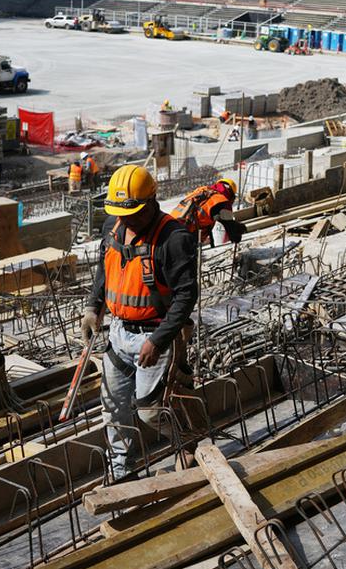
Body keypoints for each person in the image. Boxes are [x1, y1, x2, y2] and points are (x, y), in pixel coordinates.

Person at [80, 164, 199, 480]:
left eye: (131, 211)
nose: (125, 218)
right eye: (120, 211)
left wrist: (158, 341)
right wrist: (93, 308)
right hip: (119, 333)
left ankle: (187, 444)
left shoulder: (173, 238)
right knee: (113, 407)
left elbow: (186, 297)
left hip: (156, 335)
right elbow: (104, 272)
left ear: (150, 202)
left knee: (150, 412)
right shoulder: (113, 227)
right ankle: (121, 468)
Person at [171, 178, 243, 246]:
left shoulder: (202, 191)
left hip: (171, 224)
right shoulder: (221, 201)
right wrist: (237, 231)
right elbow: (231, 227)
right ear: (231, 195)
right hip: (184, 233)